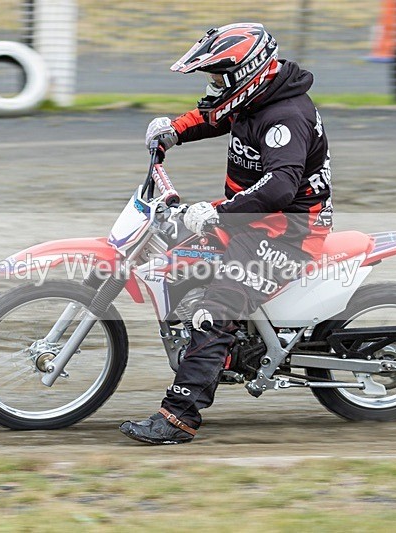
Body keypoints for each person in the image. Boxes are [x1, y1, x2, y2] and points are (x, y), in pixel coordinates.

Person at [119, 22, 333, 445]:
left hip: (287, 231)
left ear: (245, 74)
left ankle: (180, 417)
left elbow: (280, 187)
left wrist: (217, 212)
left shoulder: (286, 117)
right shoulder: (255, 96)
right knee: (175, 257)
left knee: (214, 311)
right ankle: (225, 352)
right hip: (251, 219)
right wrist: (174, 131)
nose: (214, 86)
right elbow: (216, 115)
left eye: (218, 78)